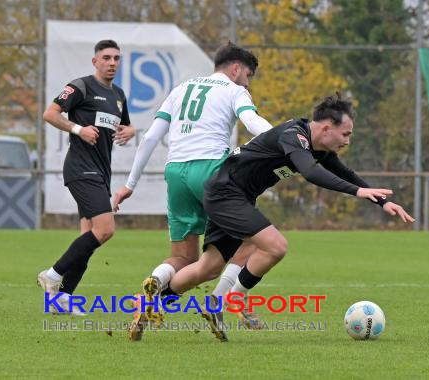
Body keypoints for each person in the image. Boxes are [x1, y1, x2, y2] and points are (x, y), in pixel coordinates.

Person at [167, 93, 415, 342]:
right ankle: (232, 299)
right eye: (346, 134)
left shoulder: (319, 149)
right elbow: (310, 172)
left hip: (235, 196)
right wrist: (358, 192)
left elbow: (346, 174)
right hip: (225, 193)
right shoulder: (294, 135)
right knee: (276, 246)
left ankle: (154, 302)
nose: (347, 141)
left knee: (208, 268)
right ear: (327, 128)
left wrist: (384, 202)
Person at [113, 42, 273, 339]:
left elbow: (149, 139)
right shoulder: (234, 90)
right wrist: (281, 138)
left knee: (182, 257)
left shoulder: (180, 89)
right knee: (255, 243)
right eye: (248, 75)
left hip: (175, 173)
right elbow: (251, 121)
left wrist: (129, 184)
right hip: (212, 172)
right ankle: (224, 301)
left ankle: (153, 286)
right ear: (236, 69)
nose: (248, 82)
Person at [37, 40, 136, 313]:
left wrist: (131, 131)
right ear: (95, 62)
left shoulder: (118, 94)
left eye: (117, 58)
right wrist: (78, 129)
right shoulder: (80, 86)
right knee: (105, 230)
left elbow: (125, 125)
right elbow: (50, 114)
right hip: (81, 169)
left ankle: (63, 299)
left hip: (101, 173)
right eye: (106, 57)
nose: (112, 62)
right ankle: (53, 275)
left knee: (88, 238)